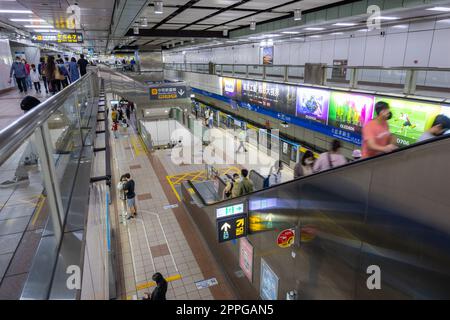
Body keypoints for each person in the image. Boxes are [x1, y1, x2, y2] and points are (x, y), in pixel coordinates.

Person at [0, 96, 41, 188]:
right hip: (44, 143)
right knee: (31, 148)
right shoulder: (40, 113)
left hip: (45, 143)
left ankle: (21, 176)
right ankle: (24, 173)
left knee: (29, 151)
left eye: (26, 110)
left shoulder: (40, 115)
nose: (25, 113)